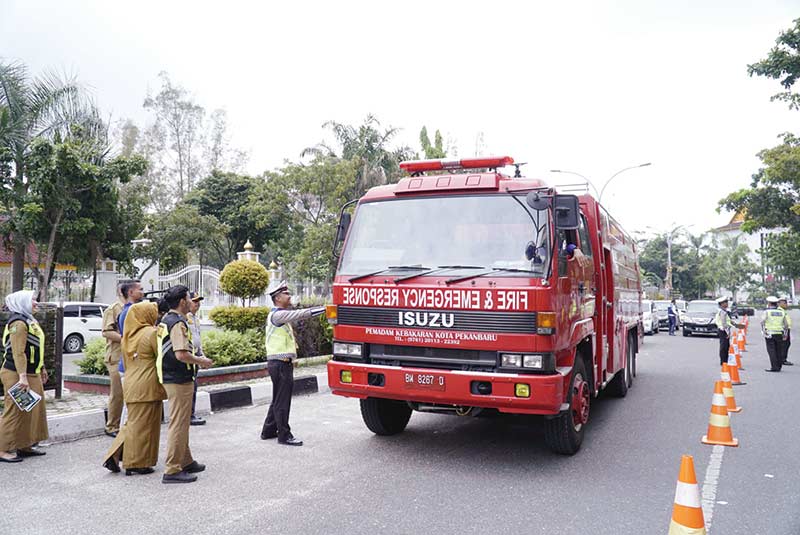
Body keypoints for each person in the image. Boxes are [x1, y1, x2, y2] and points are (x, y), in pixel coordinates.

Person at [102, 302, 167, 475]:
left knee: (133, 423)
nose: (157, 315)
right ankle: (135, 463)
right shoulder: (151, 334)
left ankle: (114, 455)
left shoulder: (128, 336)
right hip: (147, 383)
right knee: (144, 427)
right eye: (153, 313)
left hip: (131, 382)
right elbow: (161, 357)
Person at [158, 285, 213, 484]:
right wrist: (202, 362)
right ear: (182, 301)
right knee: (178, 424)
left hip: (172, 376)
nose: (192, 301)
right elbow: (181, 354)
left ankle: (186, 460)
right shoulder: (177, 323)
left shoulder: (167, 319)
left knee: (181, 422)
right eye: (190, 298)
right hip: (178, 377)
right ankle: (172, 469)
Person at [260, 280, 325, 447]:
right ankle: (284, 435)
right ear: (278, 298)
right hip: (280, 364)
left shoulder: (278, 314)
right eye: (286, 294)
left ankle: (268, 430)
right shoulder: (278, 315)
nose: (289, 296)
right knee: (282, 401)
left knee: (278, 398)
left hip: (280, 362)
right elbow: (300, 314)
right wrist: (325, 309)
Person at [0, 290, 48, 462]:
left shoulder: (29, 320)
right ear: (22, 302)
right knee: (14, 411)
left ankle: (24, 445)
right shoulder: (18, 323)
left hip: (30, 372)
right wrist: (22, 377)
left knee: (30, 410)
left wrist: (41, 367)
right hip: (16, 373)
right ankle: (2, 449)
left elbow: (35, 347)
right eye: (33, 300)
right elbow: (18, 352)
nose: (36, 303)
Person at [101, 284, 125, 437]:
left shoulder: (136, 308)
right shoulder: (113, 309)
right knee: (117, 393)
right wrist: (125, 339)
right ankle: (112, 426)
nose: (142, 292)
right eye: (139, 289)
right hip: (116, 356)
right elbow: (106, 332)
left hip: (129, 357)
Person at [186, 291, 206, 426]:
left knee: (194, 386)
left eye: (198, 302)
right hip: (189, 357)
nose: (197, 305)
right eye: (194, 301)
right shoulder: (184, 318)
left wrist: (201, 353)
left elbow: (197, 338)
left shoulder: (195, 318)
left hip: (195, 356)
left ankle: (191, 413)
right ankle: (189, 415)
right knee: (190, 387)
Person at [117, 280, 144, 375]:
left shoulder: (128, 310)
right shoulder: (131, 312)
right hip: (132, 365)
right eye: (140, 290)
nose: (143, 293)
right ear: (131, 292)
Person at [714, 296, 745, 366]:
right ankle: (723, 361)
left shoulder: (723, 311)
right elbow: (724, 323)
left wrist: (738, 325)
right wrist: (727, 332)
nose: (727, 304)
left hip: (723, 330)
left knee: (726, 346)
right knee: (724, 346)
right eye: (725, 302)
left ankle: (725, 360)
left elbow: (728, 321)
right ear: (721, 304)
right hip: (723, 330)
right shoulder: (722, 312)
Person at [761, 295, 789, 373]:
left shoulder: (767, 312)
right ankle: (779, 366)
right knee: (779, 350)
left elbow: (762, 322)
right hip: (779, 333)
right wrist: (785, 334)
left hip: (770, 333)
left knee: (771, 350)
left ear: (769, 303)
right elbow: (786, 325)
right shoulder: (781, 312)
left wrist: (763, 332)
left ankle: (774, 367)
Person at [778, 296, 793, 366]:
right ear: (780, 303)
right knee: (785, 344)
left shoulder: (783, 310)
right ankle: (783, 359)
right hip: (784, 330)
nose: (786, 305)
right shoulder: (780, 311)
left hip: (786, 329)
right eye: (785, 303)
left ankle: (782, 358)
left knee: (786, 344)